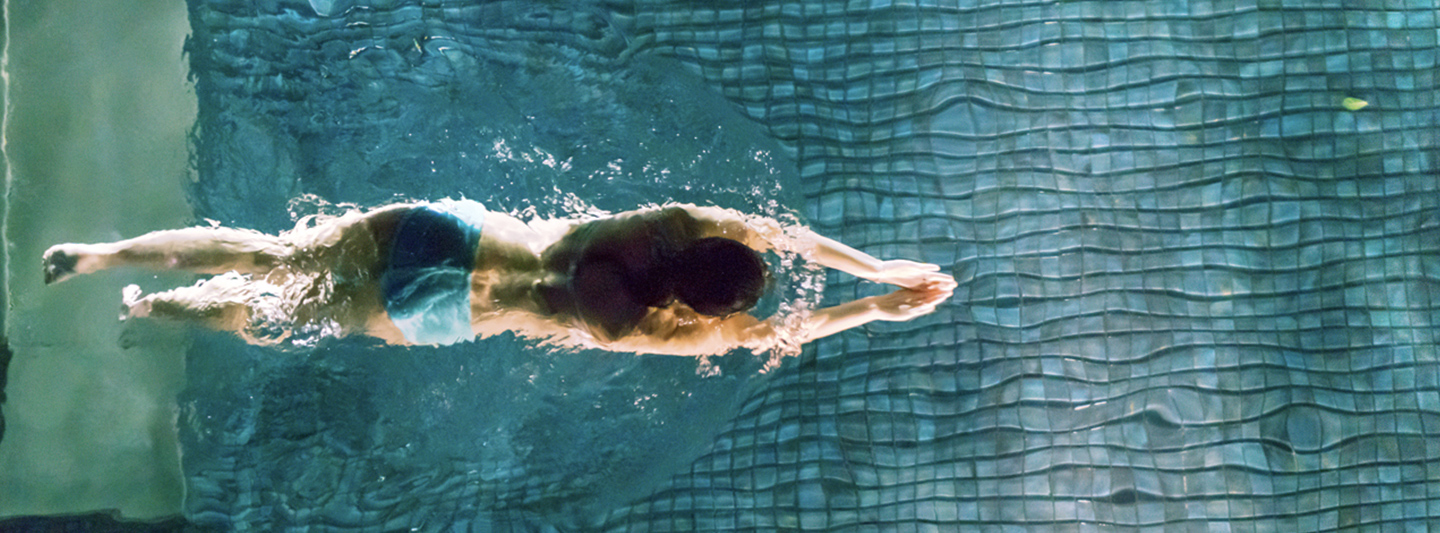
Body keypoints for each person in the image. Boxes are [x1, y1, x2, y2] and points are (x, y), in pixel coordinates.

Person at [42, 200, 956, 355]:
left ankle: (104, 255)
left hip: (458, 233)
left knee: (276, 252)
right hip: (436, 310)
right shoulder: (669, 328)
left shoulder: (667, 228)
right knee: (277, 311)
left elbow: (779, 232)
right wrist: (875, 308)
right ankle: (151, 304)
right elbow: (786, 332)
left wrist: (875, 263)